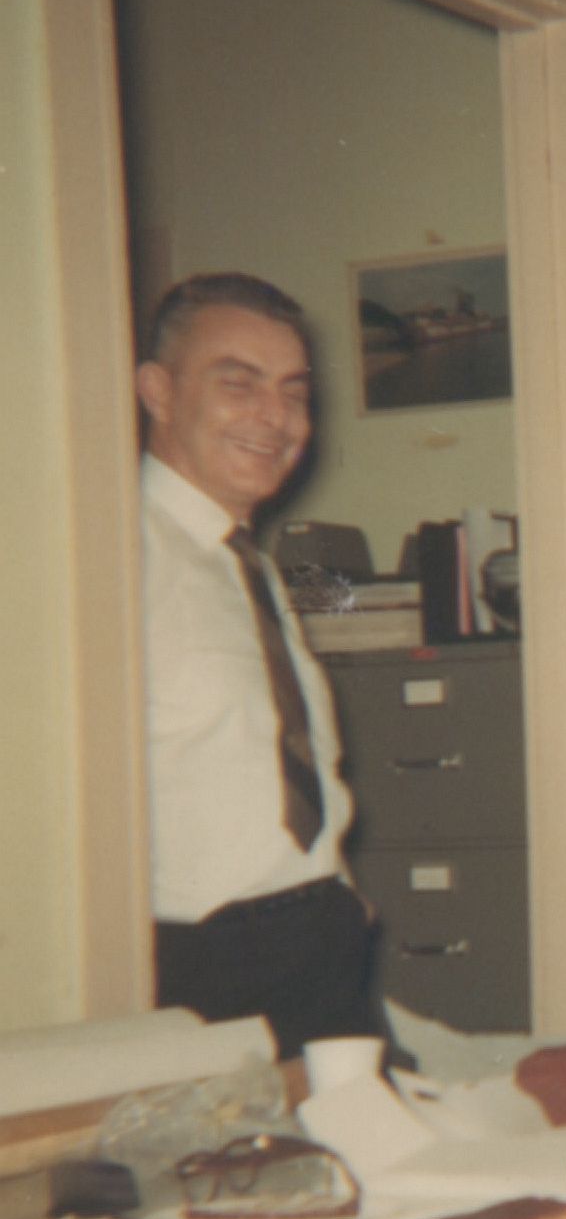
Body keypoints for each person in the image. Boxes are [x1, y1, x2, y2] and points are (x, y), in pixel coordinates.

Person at [139, 271, 380, 1057]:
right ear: (158, 391)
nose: (275, 417)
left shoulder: (254, 567)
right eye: (238, 384)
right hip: (203, 970)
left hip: (319, 947)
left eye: (293, 391)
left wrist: (339, 893)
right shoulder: (109, 558)